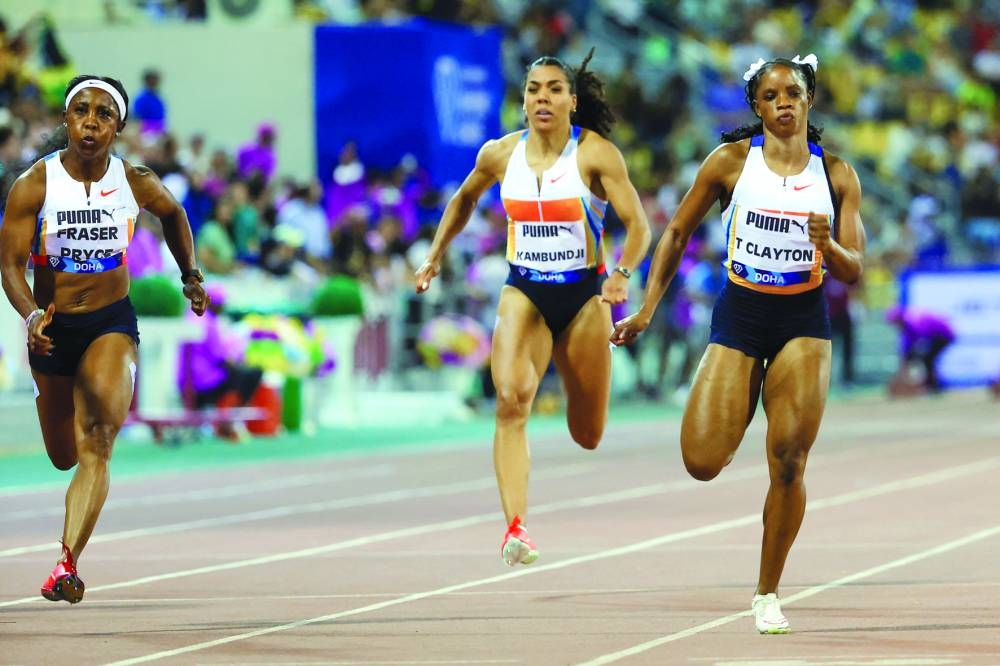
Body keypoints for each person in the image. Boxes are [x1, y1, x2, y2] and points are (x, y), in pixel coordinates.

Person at [611, 54, 865, 634]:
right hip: (742, 312)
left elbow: (854, 269)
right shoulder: (730, 163)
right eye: (771, 94)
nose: (783, 102)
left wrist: (829, 249)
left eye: (793, 92)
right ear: (756, 106)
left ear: (809, 100)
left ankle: (767, 592)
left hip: (803, 316)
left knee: (789, 461)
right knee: (701, 462)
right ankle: (741, 393)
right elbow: (675, 231)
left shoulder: (838, 175)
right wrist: (648, 308)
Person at [415, 49, 651, 568]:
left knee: (587, 433)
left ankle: (573, 390)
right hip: (524, 290)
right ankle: (516, 527)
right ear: (523, 102)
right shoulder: (500, 154)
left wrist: (621, 274)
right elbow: (463, 200)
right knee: (509, 401)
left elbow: (639, 227)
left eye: (553, 89)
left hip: (584, 296)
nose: (542, 98)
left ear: (571, 101)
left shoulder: (595, 155)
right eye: (533, 89)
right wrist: (434, 255)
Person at [0, 75, 208, 604]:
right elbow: (9, 263)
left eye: (103, 115)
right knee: (62, 455)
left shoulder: (135, 181)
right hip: (50, 329)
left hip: (110, 324)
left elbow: (175, 214)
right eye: (81, 112)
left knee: (98, 441)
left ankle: (66, 564)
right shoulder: (35, 184)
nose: (90, 123)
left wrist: (190, 274)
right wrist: (29, 317)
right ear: (66, 121)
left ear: (117, 128)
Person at [885, 305, 955, 394]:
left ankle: (933, 386)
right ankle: (931, 386)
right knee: (923, 358)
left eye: (894, 322)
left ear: (899, 319)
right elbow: (906, 350)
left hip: (943, 335)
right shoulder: (906, 327)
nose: (894, 325)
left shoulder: (914, 321)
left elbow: (923, 340)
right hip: (932, 337)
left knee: (928, 359)